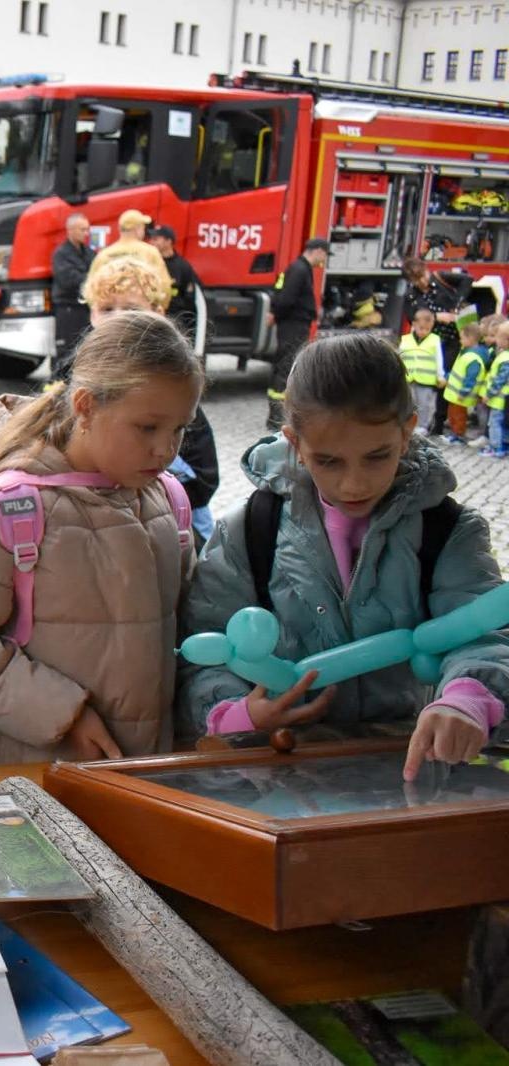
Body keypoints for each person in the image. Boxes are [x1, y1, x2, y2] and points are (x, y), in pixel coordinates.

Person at [178, 334, 509, 780]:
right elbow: (203, 647)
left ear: (407, 430)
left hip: (409, 766)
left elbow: (484, 635)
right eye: (329, 461)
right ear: (295, 443)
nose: (354, 484)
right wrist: (236, 714)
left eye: (377, 456)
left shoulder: (447, 530)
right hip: (279, 779)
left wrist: (467, 698)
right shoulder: (248, 531)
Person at [0, 312, 201, 766]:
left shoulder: (168, 502)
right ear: (85, 407)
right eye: (147, 428)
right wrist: (63, 713)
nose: (166, 449)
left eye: (179, 429)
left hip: (132, 779)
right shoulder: (10, 512)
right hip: (17, 781)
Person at [78, 255, 220, 544]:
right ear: (91, 314)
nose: (117, 318)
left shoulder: (175, 395)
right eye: (106, 309)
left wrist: (144, 491)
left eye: (131, 308)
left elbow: (205, 479)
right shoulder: (76, 379)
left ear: (158, 311)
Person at [267, 238, 330, 431]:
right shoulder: (299, 269)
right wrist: (276, 314)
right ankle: (277, 417)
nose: (325, 259)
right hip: (293, 325)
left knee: (287, 365)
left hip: (293, 323)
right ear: (318, 251)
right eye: (325, 254)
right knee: (286, 366)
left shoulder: (300, 268)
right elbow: (286, 298)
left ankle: (278, 415)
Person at [403, 258, 465, 434]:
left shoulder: (440, 279)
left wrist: (456, 304)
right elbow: (412, 315)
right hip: (432, 339)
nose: (423, 281)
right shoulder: (412, 295)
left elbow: (466, 281)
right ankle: (425, 423)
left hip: (453, 337)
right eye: (417, 279)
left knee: (446, 380)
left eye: (423, 275)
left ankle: (439, 422)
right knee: (426, 390)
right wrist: (438, 317)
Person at [49, 212, 95, 380]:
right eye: (83, 229)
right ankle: (57, 386)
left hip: (85, 308)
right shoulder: (61, 254)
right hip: (68, 308)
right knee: (65, 350)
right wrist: (91, 279)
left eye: (87, 229)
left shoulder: (89, 252)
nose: (86, 233)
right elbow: (68, 279)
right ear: (70, 230)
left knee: (83, 349)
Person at [149, 224, 200, 340]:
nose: (152, 242)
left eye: (156, 239)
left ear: (168, 241)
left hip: (173, 319)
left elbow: (189, 298)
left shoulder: (182, 266)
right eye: (151, 239)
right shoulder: (149, 263)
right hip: (152, 316)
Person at [442, 321, 489, 445]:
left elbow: (470, 378)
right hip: (455, 394)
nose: (460, 340)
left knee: (459, 416)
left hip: (461, 395)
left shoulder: (473, 357)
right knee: (453, 415)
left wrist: (464, 392)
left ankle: (458, 435)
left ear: (471, 338)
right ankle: (454, 433)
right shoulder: (466, 351)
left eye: (462, 338)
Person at [399, 307, 444, 436]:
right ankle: (408, 424)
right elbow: (400, 356)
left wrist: (440, 376)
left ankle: (423, 426)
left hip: (426, 379)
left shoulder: (434, 340)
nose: (424, 332)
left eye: (428, 329)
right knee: (409, 403)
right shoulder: (405, 340)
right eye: (421, 328)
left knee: (424, 404)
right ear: (414, 325)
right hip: (408, 378)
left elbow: (439, 359)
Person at [93, 209, 169, 283]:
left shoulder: (104, 255)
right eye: (143, 227)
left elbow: (92, 286)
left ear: (119, 229)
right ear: (137, 229)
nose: (144, 231)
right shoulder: (151, 252)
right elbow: (164, 285)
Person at [480, 317, 509, 459]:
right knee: (500, 422)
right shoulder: (504, 355)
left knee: (495, 423)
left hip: (499, 398)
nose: (496, 340)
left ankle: (495, 447)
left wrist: (489, 394)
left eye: (498, 337)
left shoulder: (505, 359)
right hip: (500, 398)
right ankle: (502, 444)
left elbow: (499, 381)